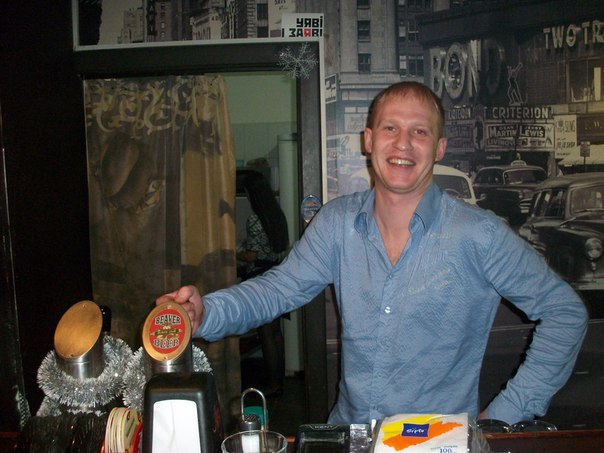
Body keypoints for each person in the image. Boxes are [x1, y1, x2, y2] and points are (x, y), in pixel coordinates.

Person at [157, 81, 588, 425]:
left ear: (439, 148)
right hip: (352, 436)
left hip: (436, 444)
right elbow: (277, 290)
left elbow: (564, 313)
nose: (403, 144)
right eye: (390, 128)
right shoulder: (336, 223)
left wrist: (504, 415)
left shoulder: (478, 234)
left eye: (419, 131)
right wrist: (205, 312)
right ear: (368, 140)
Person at [237, 170, 289, 397]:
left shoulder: (255, 220)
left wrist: (233, 253)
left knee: (266, 334)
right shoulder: (277, 215)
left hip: (259, 278)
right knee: (275, 333)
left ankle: (273, 384)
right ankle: (280, 381)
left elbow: (251, 255)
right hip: (276, 275)